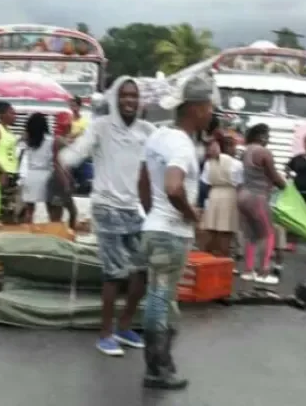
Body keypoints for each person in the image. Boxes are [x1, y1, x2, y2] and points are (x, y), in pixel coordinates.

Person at [59, 76, 156, 357]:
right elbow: (73, 155)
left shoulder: (147, 131)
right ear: (115, 99)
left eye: (134, 96)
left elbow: (156, 166)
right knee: (114, 274)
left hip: (133, 209)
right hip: (106, 207)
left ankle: (125, 325)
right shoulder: (100, 128)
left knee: (142, 270)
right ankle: (105, 334)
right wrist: (64, 158)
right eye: (124, 95)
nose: (129, 101)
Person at [139, 75, 214, 390]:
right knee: (161, 300)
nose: (211, 111)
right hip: (170, 235)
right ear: (196, 109)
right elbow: (173, 186)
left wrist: (153, 214)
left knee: (160, 300)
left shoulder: (157, 137)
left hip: (155, 228)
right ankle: (158, 369)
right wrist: (189, 214)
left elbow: (143, 182)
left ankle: (159, 365)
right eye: (209, 105)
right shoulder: (182, 146)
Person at [237, 123, 286, 285]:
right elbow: (274, 177)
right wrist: (284, 185)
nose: (268, 139)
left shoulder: (246, 152)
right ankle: (263, 272)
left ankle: (248, 270)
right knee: (268, 233)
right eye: (267, 136)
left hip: (243, 195)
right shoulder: (263, 152)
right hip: (257, 197)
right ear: (261, 136)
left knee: (250, 235)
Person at [21, 113, 72, 226]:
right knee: (52, 211)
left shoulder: (27, 140)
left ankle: (26, 233)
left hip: (31, 176)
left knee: (29, 211)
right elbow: (66, 148)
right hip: (47, 177)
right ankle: (51, 235)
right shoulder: (52, 140)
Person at [198, 132, 242, 258]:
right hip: (230, 197)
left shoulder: (208, 163)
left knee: (210, 231)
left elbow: (205, 183)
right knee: (225, 233)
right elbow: (239, 184)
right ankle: (222, 261)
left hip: (213, 196)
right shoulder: (237, 164)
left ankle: (207, 260)